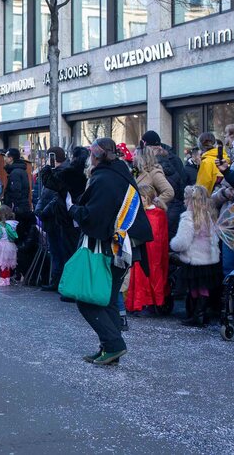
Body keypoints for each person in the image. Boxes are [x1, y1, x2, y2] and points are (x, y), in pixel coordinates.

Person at [68, 138, 152, 367]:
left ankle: (113, 345)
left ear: (95, 156)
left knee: (87, 299)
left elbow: (94, 218)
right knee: (109, 299)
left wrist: (72, 209)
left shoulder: (104, 179)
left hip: (111, 247)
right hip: (126, 248)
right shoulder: (121, 174)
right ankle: (109, 349)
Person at [169, 185, 222, 327]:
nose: (184, 202)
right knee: (204, 287)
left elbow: (182, 242)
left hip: (193, 259)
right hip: (209, 260)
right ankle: (202, 314)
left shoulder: (188, 218)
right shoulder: (210, 216)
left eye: (185, 199)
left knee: (194, 287)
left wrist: (173, 245)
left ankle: (195, 315)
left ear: (190, 200)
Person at [38, 147, 88, 292]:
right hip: (69, 217)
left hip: (67, 218)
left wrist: (47, 168)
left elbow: (50, 183)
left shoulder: (70, 174)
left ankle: (69, 286)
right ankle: (62, 283)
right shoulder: (83, 174)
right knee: (64, 252)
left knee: (67, 252)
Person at [125, 184, 170, 315]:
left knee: (151, 274)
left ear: (147, 197)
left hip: (153, 251)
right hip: (143, 248)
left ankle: (149, 303)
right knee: (139, 275)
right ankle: (139, 303)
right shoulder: (141, 212)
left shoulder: (157, 214)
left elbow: (161, 235)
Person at [139, 131, 186, 240]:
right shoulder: (174, 158)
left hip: (164, 210)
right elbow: (183, 181)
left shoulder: (153, 165)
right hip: (173, 208)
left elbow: (169, 191)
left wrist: (153, 204)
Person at [2, 148, 34, 249]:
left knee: (18, 237)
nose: (4, 159)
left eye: (6, 156)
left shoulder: (15, 173)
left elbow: (16, 192)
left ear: (11, 158)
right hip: (22, 208)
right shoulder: (19, 171)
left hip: (18, 210)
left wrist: (13, 209)